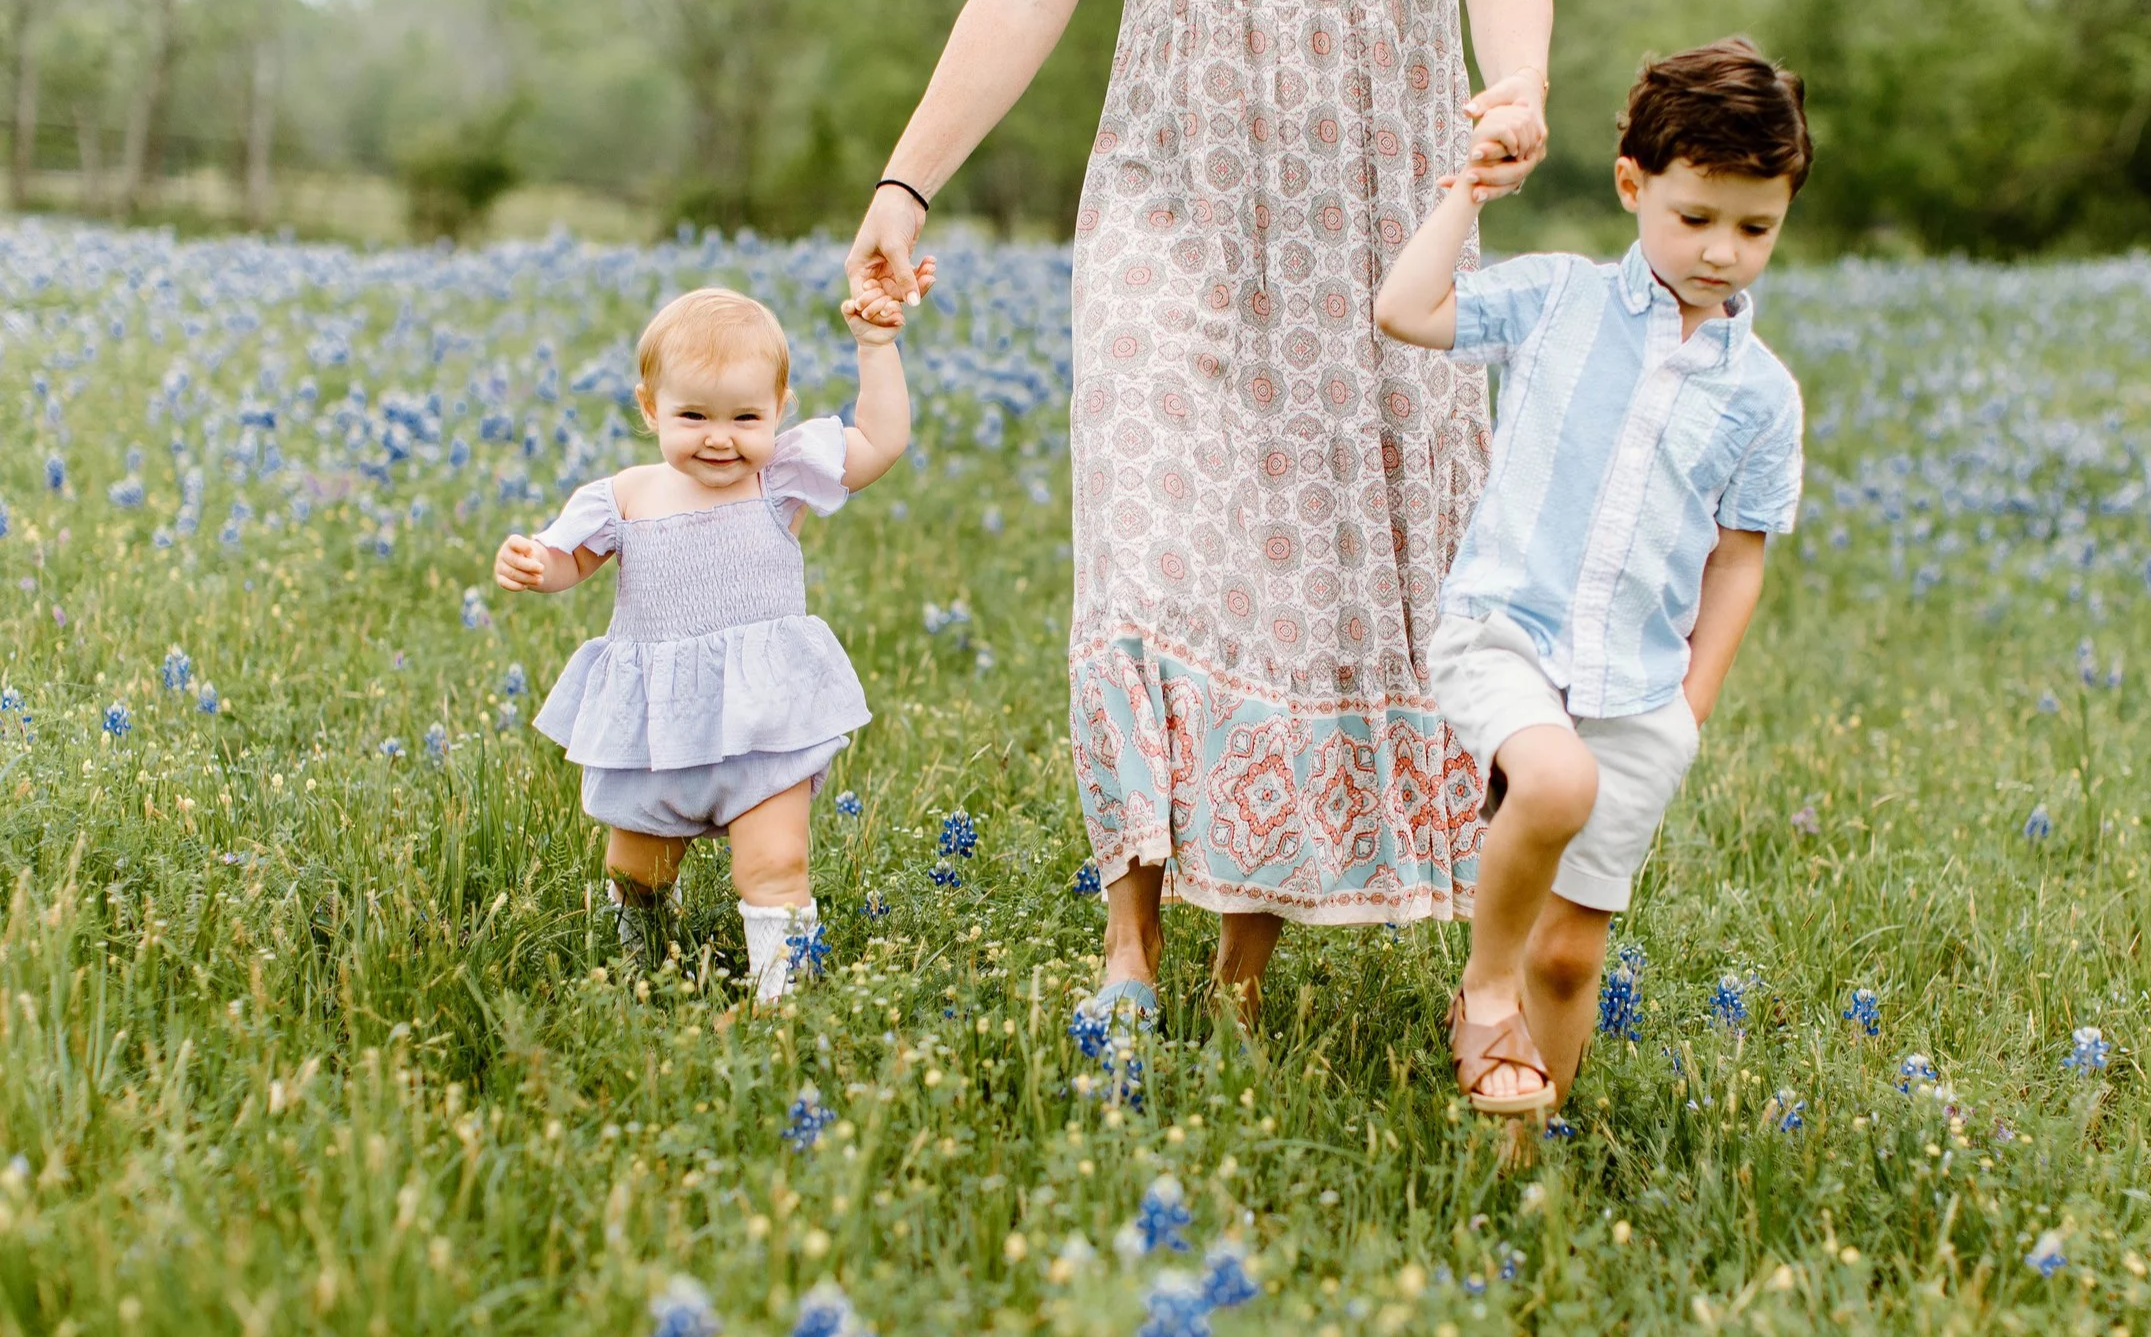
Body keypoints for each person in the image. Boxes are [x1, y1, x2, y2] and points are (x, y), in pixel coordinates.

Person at [847, 1, 1553, 1030]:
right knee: (1146, 530)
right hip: (1177, 175)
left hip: (1374, 190)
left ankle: (1241, 963)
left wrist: (1519, 84)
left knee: (1302, 578)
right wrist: (906, 182)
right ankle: (1128, 938)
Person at [1374, 37, 1812, 1114]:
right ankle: (1482, 989)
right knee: (1553, 785)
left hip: (1639, 688)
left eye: (1755, 227)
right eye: (1695, 217)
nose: (1721, 251)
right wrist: (1466, 197)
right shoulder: (1555, 299)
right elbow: (1406, 310)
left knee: (1570, 956)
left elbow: (1738, 559)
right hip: (1505, 633)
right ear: (1632, 185)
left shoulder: (1763, 395)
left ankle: (1523, 1138)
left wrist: (1689, 709)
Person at [493, 275, 934, 1003]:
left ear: (779, 413)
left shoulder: (779, 481)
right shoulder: (622, 494)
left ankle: (782, 997)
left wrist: (876, 347)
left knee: (777, 861)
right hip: (654, 728)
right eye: (693, 414)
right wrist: (536, 563)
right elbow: (570, 560)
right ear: (649, 407)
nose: (721, 438)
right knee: (637, 870)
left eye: (745, 417)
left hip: (763, 723)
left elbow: (881, 441)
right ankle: (637, 966)